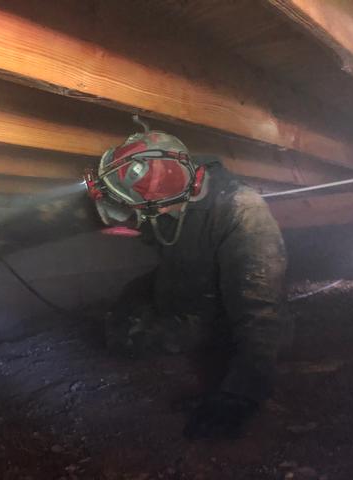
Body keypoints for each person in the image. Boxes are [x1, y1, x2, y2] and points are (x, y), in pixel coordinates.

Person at [85, 118, 287, 440]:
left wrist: (241, 393)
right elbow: (153, 234)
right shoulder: (168, 200)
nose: (149, 216)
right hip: (179, 284)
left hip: (213, 306)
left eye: (151, 209)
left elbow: (260, 309)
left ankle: (207, 345)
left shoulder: (242, 210)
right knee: (125, 310)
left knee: (137, 342)